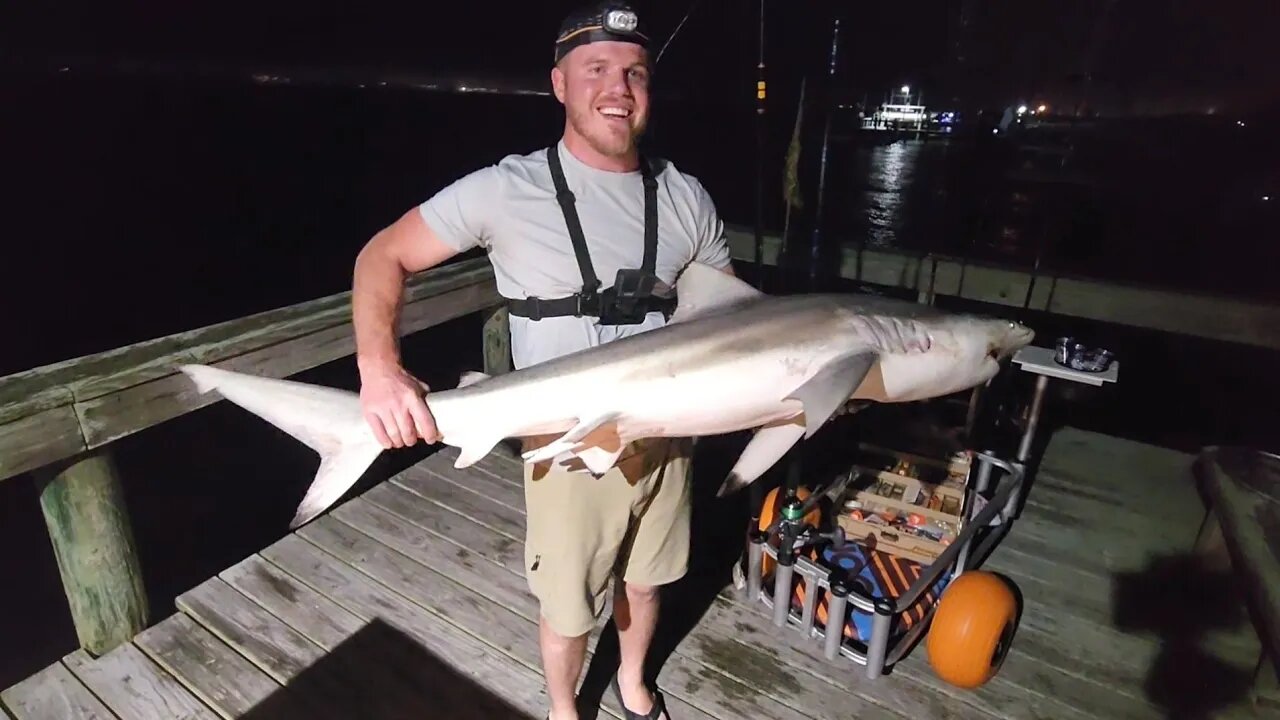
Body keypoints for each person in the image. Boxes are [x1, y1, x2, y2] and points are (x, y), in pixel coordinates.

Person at [350, 2, 734, 718]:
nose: (618, 88)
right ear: (559, 85)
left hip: (671, 440)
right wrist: (379, 368)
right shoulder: (506, 189)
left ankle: (633, 683)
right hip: (565, 449)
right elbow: (383, 254)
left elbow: (734, 321)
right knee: (569, 605)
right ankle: (564, 708)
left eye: (635, 73)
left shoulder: (688, 199)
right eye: (597, 70)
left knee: (648, 582)